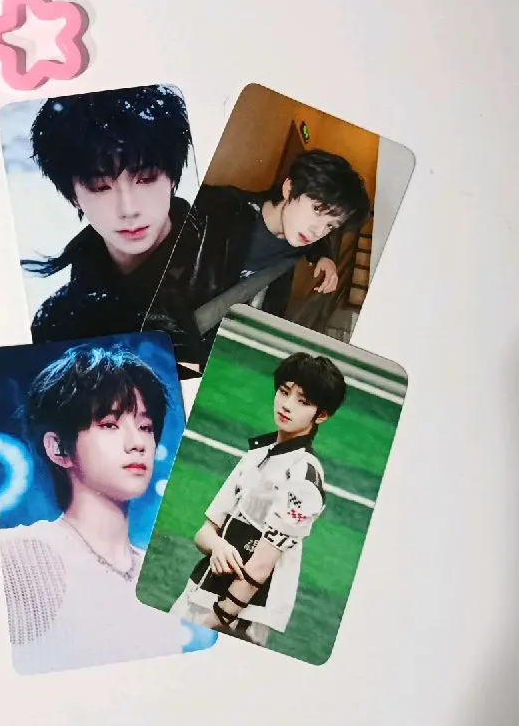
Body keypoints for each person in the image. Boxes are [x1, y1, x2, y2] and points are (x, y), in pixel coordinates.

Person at [0, 343, 214, 672]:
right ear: (58, 448)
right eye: (110, 424)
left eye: (145, 427)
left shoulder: (159, 578)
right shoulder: (20, 556)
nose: (137, 443)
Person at [168, 351, 347, 646]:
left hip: (242, 615)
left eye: (303, 401)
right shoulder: (257, 454)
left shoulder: (303, 477)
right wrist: (218, 546)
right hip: (199, 590)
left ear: (322, 415)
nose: (287, 405)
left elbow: (262, 565)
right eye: (284, 392)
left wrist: (218, 619)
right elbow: (204, 533)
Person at [144, 149, 371, 377]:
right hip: (157, 342)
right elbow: (150, 278)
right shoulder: (216, 210)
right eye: (316, 210)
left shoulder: (295, 248)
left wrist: (326, 257)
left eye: (331, 225)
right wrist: (185, 350)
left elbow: (318, 243)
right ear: (289, 188)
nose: (318, 231)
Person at [20, 85, 194, 344]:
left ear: (171, 178)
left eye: (146, 178)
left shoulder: (236, 259)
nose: (128, 210)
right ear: (73, 196)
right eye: (100, 186)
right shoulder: (57, 324)